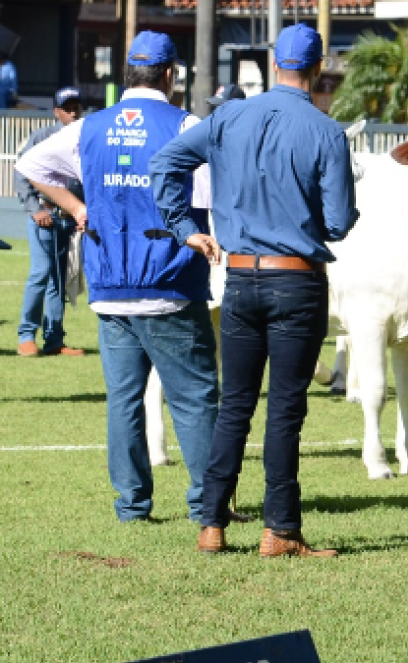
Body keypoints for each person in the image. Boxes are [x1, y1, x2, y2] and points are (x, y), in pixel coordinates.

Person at [151, 23, 359, 558]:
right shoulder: (325, 130)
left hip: (240, 277)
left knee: (234, 406)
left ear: (274, 62)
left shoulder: (227, 116)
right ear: (317, 70)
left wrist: (183, 227)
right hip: (297, 279)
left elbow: (166, 162)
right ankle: (280, 530)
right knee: (285, 409)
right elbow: (337, 223)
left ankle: (212, 525)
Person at [15, 32, 219, 524]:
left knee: (124, 402)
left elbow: (28, 164)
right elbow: (213, 196)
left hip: (111, 287)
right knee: (193, 400)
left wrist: (76, 206)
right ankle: (206, 507)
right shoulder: (187, 125)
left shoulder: (89, 127)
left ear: (127, 73)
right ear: (171, 75)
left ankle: (132, 507)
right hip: (170, 282)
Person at [14, 87, 86, 358]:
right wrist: (34, 208)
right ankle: (26, 336)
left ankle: (54, 339)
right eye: (67, 108)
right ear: (56, 112)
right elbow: (21, 171)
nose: (73, 111)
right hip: (44, 214)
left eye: (76, 106)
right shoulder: (43, 137)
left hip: (69, 218)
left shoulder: (86, 138)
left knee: (58, 278)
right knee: (41, 272)